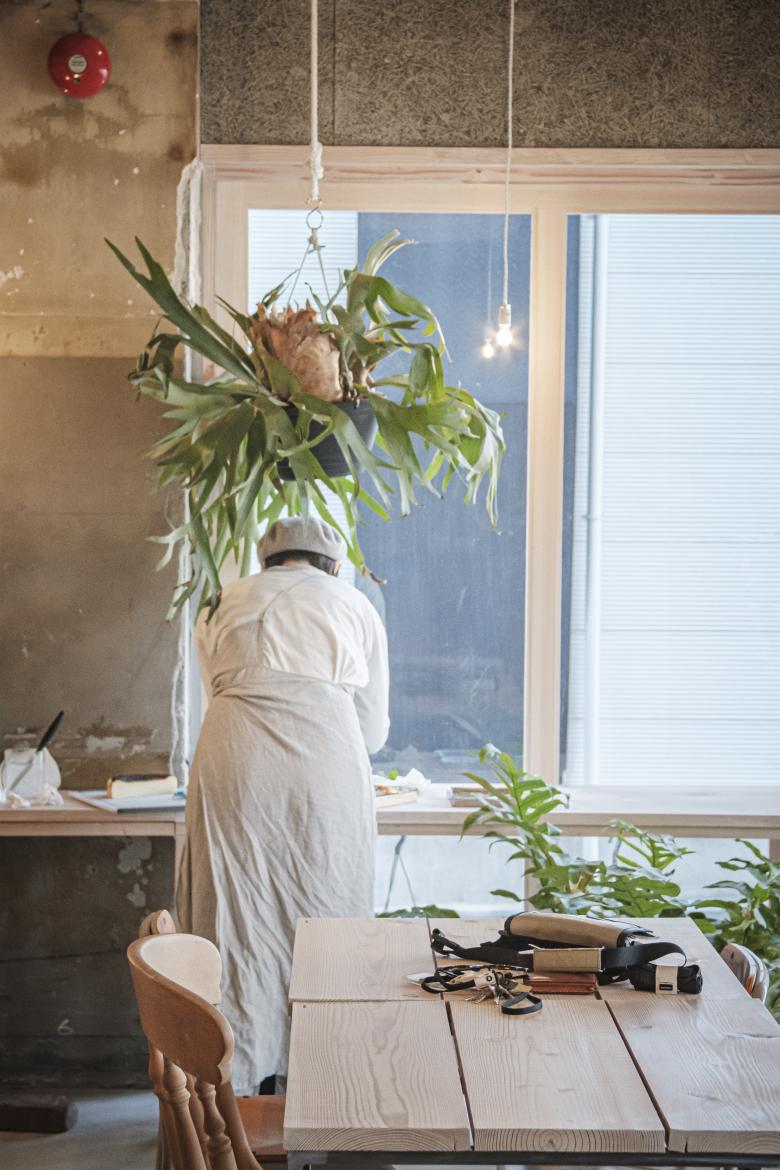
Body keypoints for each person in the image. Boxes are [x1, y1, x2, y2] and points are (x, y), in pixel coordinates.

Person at [176, 516, 389, 1093]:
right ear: (334, 564)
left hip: (233, 757)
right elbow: (372, 731)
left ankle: (231, 1083)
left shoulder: (221, 602)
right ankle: (325, 1081)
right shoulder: (353, 604)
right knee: (326, 905)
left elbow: (214, 693)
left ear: (264, 560)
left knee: (231, 909)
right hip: (325, 763)